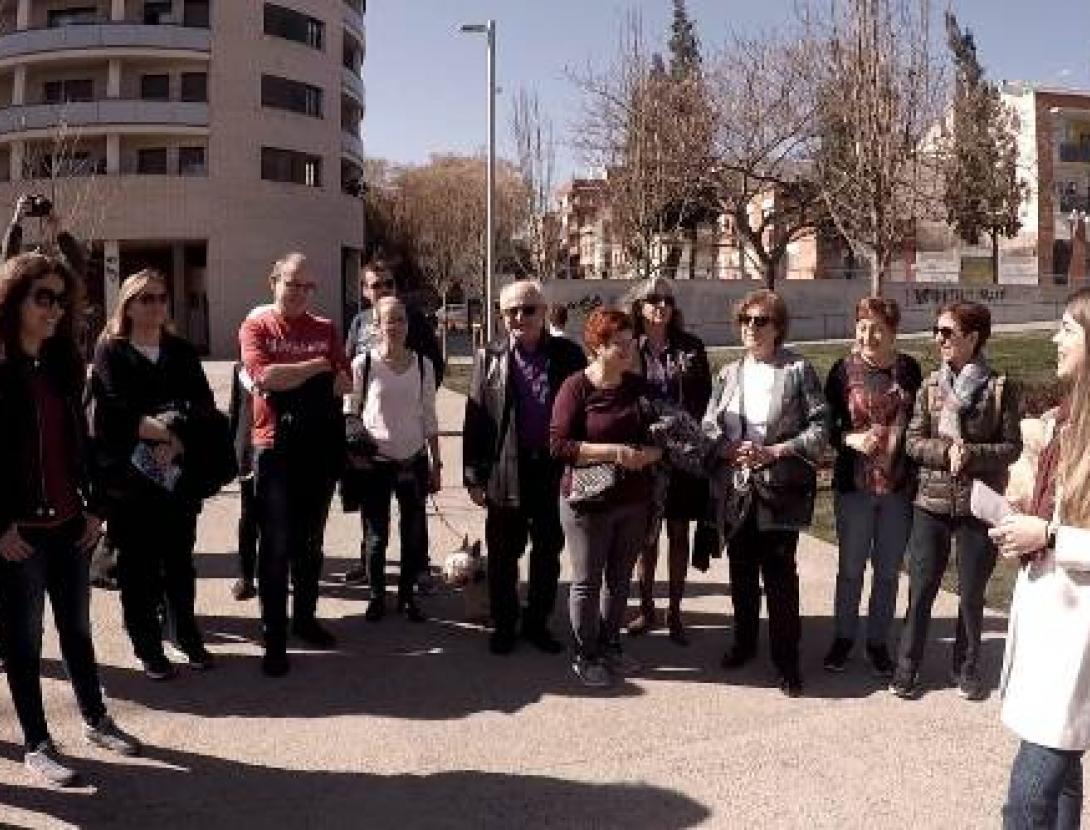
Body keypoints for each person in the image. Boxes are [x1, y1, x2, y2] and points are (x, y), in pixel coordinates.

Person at [0, 253, 140, 787]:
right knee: (23, 642)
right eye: (43, 298)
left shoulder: (63, 365)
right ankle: (37, 742)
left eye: (61, 299)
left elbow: (85, 445)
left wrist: (96, 508)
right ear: (14, 300)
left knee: (77, 629)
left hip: (70, 525)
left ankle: (95, 718)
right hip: (20, 536)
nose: (55, 309)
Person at [91, 269, 222, 679]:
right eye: (145, 298)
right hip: (130, 480)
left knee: (179, 563)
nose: (156, 305)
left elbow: (202, 404)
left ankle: (185, 634)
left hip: (177, 476)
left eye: (161, 297)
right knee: (137, 567)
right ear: (128, 306)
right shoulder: (111, 351)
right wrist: (167, 433)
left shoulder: (180, 351)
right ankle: (146, 645)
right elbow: (115, 412)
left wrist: (179, 442)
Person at [993, 289, 1090, 828]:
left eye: (1068, 330)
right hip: (1048, 619)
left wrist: (1049, 536)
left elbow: (1062, 532)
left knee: (1027, 800)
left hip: (1077, 633)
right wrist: (1021, 526)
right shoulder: (1067, 419)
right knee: (1063, 774)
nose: (1055, 339)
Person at [890, 301, 1021, 701]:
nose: (939, 338)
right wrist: (945, 452)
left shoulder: (999, 387)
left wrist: (973, 455)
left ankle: (966, 667)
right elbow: (913, 442)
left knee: (971, 592)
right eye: (937, 331)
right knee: (921, 588)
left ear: (973, 337)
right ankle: (907, 667)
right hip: (930, 502)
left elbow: (1012, 446)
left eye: (947, 332)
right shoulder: (930, 386)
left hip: (977, 503)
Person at [703, 289, 827, 697]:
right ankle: (744, 643)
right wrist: (726, 448)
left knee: (779, 577)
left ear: (778, 328)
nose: (751, 328)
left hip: (780, 489)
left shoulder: (797, 370)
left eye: (761, 321)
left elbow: (820, 429)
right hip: (737, 488)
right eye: (746, 320)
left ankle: (786, 661)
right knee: (740, 572)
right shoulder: (728, 372)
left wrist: (775, 451)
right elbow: (708, 425)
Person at [240, 252, 351, 678]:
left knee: (310, 543)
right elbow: (263, 377)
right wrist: (318, 367)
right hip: (273, 448)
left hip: (317, 448)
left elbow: (344, 383)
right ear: (274, 282)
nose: (300, 292)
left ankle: (304, 619)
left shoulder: (326, 328)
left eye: (308, 286)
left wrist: (297, 376)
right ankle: (274, 636)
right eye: (292, 283)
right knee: (275, 546)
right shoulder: (257, 326)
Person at [463, 279, 586, 655]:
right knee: (503, 554)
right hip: (506, 469)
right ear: (502, 316)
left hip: (552, 470)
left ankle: (537, 624)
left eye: (528, 309)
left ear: (544, 312)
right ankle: (504, 624)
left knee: (547, 551)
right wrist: (473, 475)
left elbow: (584, 412)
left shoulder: (568, 354)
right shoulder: (489, 356)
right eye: (511, 311)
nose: (520, 317)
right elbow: (476, 420)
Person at [550, 308, 661, 686]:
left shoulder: (637, 387)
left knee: (619, 578)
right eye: (618, 344)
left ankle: (611, 644)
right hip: (588, 501)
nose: (628, 351)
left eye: (631, 343)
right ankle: (585, 653)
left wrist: (650, 454)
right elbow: (559, 445)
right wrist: (614, 452)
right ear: (597, 346)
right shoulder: (576, 387)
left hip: (632, 499)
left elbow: (662, 437)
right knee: (587, 581)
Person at [823, 298, 923, 677]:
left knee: (887, 571)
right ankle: (843, 638)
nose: (868, 335)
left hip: (898, 486)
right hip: (856, 486)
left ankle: (878, 642)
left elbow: (919, 420)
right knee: (850, 568)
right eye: (862, 326)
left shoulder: (909, 369)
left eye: (878, 327)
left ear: (893, 331)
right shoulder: (842, 371)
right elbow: (826, 427)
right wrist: (849, 439)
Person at [343, 257, 444, 587]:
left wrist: (413, 400)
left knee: (414, 512)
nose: (384, 289)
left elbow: (434, 364)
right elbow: (348, 366)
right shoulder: (358, 323)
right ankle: (368, 564)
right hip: (372, 438)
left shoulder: (411, 318)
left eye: (389, 283)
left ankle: (420, 567)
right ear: (365, 290)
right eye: (376, 285)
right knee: (372, 512)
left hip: (408, 430)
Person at [625, 276, 711, 645]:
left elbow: (704, 397)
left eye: (668, 300)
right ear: (639, 306)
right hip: (645, 454)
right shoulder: (629, 346)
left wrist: (679, 431)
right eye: (653, 299)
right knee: (647, 535)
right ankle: (647, 608)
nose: (661, 305)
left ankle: (675, 612)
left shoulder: (690, 347)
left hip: (683, 455)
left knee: (679, 531)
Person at [227, 361, 259, 601]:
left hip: (278, 451)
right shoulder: (241, 369)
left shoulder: (284, 362)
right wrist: (231, 453)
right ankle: (246, 576)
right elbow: (235, 411)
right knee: (249, 517)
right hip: (248, 451)